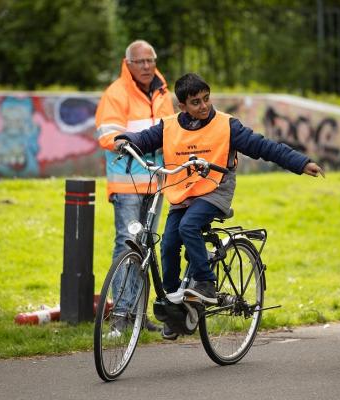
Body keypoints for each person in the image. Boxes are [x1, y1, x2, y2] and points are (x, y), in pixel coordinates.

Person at [114, 73, 324, 339]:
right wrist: (126, 140)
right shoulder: (168, 126)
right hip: (182, 193)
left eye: (206, 99)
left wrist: (300, 163)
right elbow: (143, 138)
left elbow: (263, 146)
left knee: (189, 226)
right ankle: (175, 307)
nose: (204, 106)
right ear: (182, 106)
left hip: (215, 190)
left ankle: (205, 283)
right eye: (195, 102)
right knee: (168, 242)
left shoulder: (227, 125)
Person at [95, 40, 174, 332]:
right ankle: (122, 315)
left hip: (155, 183)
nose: (146, 66)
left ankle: (139, 315)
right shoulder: (116, 93)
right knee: (127, 245)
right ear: (127, 64)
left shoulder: (163, 92)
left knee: (146, 248)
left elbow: (171, 130)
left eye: (150, 60)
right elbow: (108, 133)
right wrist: (126, 141)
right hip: (127, 182)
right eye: (140, 61)